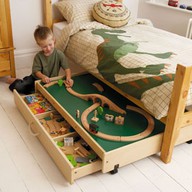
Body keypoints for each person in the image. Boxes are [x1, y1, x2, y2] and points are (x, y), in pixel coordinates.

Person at [7, 25, 73, 94]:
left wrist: (68, 78)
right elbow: (36, 71)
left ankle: (23, 82)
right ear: (39, 45)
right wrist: (43, 77)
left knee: (42, 92)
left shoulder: (59, 54)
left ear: (54, 40)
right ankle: (16, 80)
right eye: (44, 46)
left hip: (50, 80)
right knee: (19, 86)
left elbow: (67, 69)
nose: (48, 48)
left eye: (50, 44)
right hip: (35, 79)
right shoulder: (38, 56)